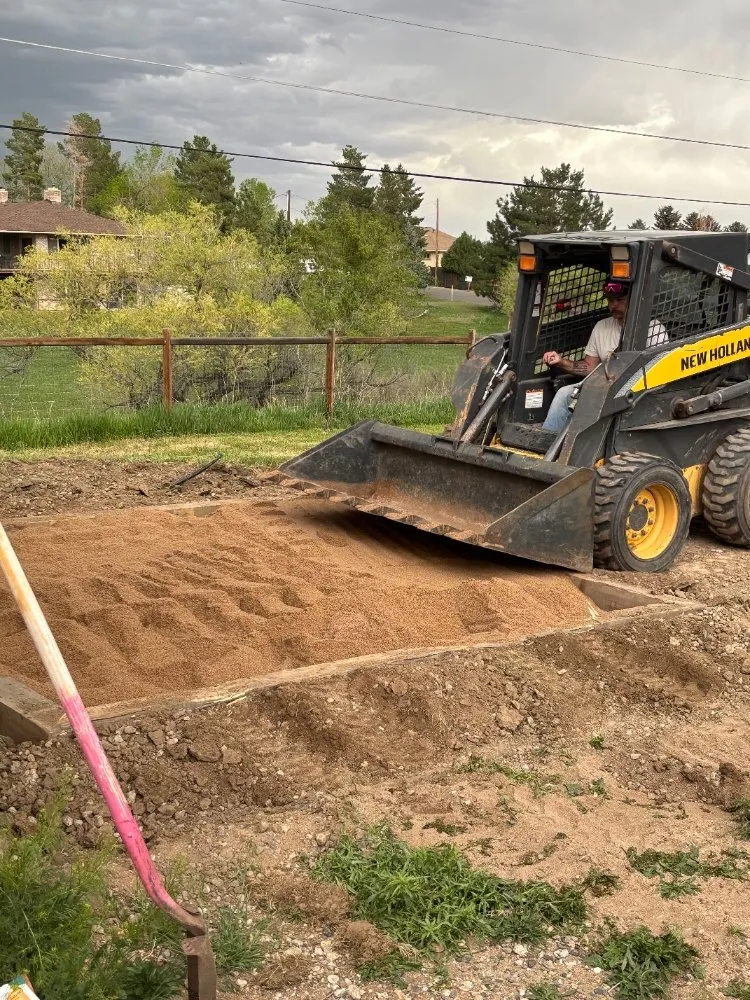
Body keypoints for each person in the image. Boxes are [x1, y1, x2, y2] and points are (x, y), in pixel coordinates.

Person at [541, 280, 668, 433]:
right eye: (610, 300)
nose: (613, 306)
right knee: (564, 394)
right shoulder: (602, 327)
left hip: (637, 392)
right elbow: (590, 366)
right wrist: (561, 362)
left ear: (634, 299)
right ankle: (547, 440)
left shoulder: (654, 329)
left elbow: (660, 371)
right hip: (603, 388)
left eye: (619, 300)